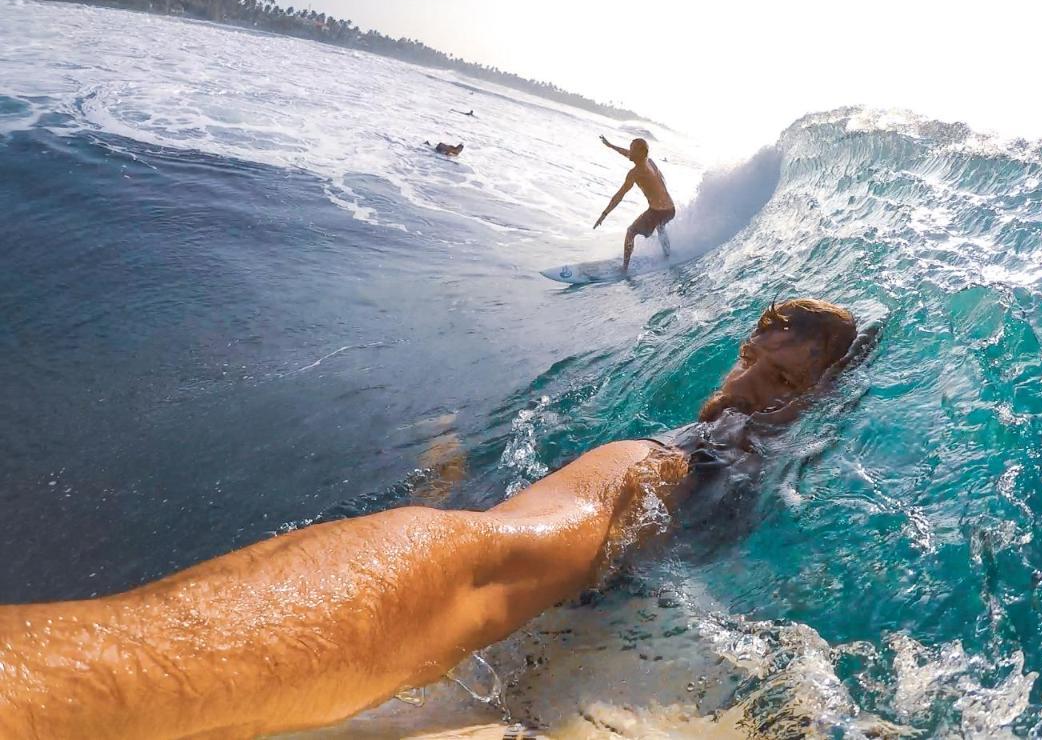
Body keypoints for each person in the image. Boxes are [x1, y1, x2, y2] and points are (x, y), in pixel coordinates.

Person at [0, 298, 858, 739]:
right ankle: (442, 469)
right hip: (575, 576)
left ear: (821, 402)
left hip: (614, 608)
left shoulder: (771, 468)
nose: (745, 385)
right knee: (490, 534)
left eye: (781, 384)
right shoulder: (664, 458)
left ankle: (443, 465)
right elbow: (478, 567)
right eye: (750, 358)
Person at [593, 135, 675, 270]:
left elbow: (619, 195)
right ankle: (668, 254)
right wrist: (611, 146)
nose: (629, 152)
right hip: (670, 209)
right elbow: (628, 154)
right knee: (660, 227)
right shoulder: (650, 162)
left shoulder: (636, 173)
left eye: (632, 150)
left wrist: (604, 214)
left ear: (640, 153)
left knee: (630, 232)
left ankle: (624, 269)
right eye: (630, 149)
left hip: (658, 212)